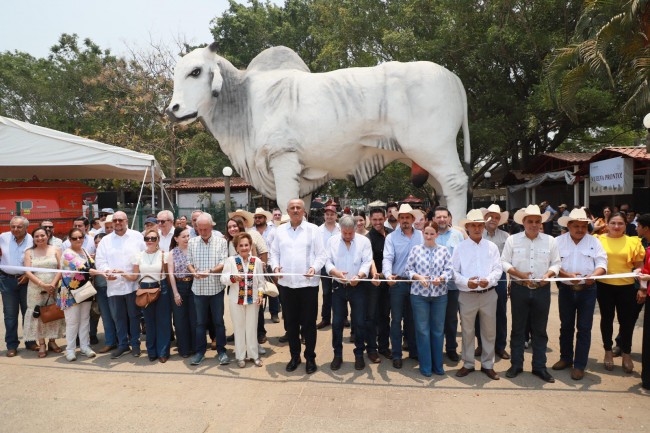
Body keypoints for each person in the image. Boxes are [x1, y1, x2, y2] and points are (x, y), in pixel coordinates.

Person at [501, 204, 561, 383]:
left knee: (540, 331)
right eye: (530, 221)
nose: (534, 225)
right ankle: (516, 364)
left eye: (537, 221)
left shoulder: (551, 241)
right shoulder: (513, 240)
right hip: (520, 288)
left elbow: (556, 263)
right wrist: (519, 274)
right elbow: (504, 262)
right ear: (523, 222)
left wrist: (548, 275)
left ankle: (539, 367)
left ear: (541, 222)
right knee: (518, 329)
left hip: (542, 290)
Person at [270, 198, 326, 375]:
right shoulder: (280, 231)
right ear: (287, 211)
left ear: (304, 211)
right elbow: (274, 253)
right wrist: (275, 267)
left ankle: (310, 357)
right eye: (292, 208)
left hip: (308, 285)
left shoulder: (314, 230)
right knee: (291, 324)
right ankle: (295, 356)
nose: (295, 210)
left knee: (309, 324)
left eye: (298, 208)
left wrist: (314, 268)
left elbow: (322, 255)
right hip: (286, 285)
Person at [553, 208, 607, 380]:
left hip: (588, 291)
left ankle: (579, 365)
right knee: (566, 325)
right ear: (568, 225)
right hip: (566, 290)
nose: (580, 229)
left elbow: (602, 263)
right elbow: (552, 265)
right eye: (576, 226)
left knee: (584, 328)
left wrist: (594, 275)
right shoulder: (558, 242)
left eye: (583, 226)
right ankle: (565, 358)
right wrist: (566, 275)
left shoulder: (595, 242)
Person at [452, 210, 503, 381]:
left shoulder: (492, 247)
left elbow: (498, 269)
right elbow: (453, 271)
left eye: (479, 225)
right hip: (467, 295)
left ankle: (488, 364)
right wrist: (467, 282)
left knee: (489, 330)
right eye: (473, 225)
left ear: (483, 226)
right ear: (467, 227)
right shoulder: (460, 248)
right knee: (467, 330)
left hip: (488, 293)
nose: (476, 228)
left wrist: (487, 281)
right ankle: (468, 363)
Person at [596, 212, 645, 373]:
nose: (616, 227)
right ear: (607, 224)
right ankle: (608, 352)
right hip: (604, 286)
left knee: (627, 322)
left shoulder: (633, 241)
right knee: (607, 319)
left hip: (627, 287)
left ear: (626, 225)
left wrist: (642, 285)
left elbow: (640, 266)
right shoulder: (598, 240)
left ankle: (626, 353)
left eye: (620, 224)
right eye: (613, 223)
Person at [95, 211, 146, 359]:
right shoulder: (106, 241)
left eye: (120, 220)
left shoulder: (137, 236)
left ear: (126, 221)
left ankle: (135, 344)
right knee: (118, 317)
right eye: (115, 220)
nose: (117, 223)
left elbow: (143, 256)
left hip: (133, 285)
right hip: (114, 286)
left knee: (134, 316)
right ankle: (123, 345)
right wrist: (107, 272)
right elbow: (100, 261)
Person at [405, 220, 453, 377]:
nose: (429, 236)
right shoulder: (416, 250)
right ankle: (425, 366)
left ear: (437, 234)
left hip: (440, 295)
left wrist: (441, 278)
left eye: (432, 233)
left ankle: (438, 365)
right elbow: (408, 269)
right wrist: (418, 277)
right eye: (426, 233)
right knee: (422, 331)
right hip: (419, 295)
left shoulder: (444, 250)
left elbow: (449, 269)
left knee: (438, 331)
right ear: (423, 234)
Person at [325, 215, 373, 371]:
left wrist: (359, 276)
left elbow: (367, 262)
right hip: (338, 286)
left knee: (359, 322)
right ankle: (337, 355)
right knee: (337, 322)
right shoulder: (332, 241)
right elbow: (327, 261)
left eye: (350, 233)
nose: (347, 236)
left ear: (355, 229)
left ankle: (359, 354)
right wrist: (335, 272)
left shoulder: (364, 241)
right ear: (340, 230)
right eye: (344, 233)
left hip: (357, 287)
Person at [383, 203, 423, 369]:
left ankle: (414, 350)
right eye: (402, 217)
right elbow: (387, 258)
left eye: (408, 217)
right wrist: (387, 275)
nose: (405, 220)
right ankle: (397, 354)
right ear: (398, 219)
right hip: (398, 282)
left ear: (413, 219)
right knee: (396, 320)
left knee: (413, 319)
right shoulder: (391, 237)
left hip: (416, 283)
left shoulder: (421, 235)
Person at [187, 213, 229, 366]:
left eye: (206, 229)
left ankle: (222, 351)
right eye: (200, 229)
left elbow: (223, 262)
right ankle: (200, 352)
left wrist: (210, 272)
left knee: (218, 322)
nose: (203, 232)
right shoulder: (192, 242)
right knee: (200, 323)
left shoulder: (221, 242)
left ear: (212, 226)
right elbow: (189, 262)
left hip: (216, 288)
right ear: (196, 227)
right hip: (198, 289)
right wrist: (193, 272)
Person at [221, 232, 265, 368]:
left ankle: (254, 355)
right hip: (236, 300)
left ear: (250, 246)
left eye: (247, 245)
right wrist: (233, 278)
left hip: (253, 300)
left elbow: (261, 281)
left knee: (252, 327)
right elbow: (223, 279)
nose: (244, 248)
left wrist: (261, 295)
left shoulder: (256, 261)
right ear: (236, 247)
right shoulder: (230, 261)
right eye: (241, 245)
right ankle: (240, 356)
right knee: (239, 328)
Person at [127, 229, 171, 363]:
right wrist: (121, 273)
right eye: (147, 239)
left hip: (161, 288)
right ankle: (151, 352)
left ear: (158, 240)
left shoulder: (165, 255)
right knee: (149, 322)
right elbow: (134, 276)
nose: (150, 241)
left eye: (153, 238)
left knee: (163, 321)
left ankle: (163, 352)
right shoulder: (138, 256)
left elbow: (169, 276)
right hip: (145, 289)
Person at [59, 227, 102, 361]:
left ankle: (84, 346)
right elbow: (82, 267)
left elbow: (93, 265)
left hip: (85, 291)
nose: (78, 240)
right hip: (71, 292)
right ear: (69, 239)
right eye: (74, 238)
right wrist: (100, 272)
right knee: (72, 322)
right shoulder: (67, 253)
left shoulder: (85, 251)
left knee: (85, 320)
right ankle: (70, 349)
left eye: (81, 237)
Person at [23, 227, 64, 358]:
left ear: (48, 236)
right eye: (36, 236)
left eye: (42, 235)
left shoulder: (56, 250)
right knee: (38, 315)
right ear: (33, 238)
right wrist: (42, 285)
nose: (40, 238)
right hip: (35, 288)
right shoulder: (29, 252)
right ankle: (41, 343)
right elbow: (28, 271)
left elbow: (61, 269)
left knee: (53, 312)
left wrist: (52, 284)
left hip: (53, 287)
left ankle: (52, 341)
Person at [477, 204, 510, 360]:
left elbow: (510, 260)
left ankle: (500, 346)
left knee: (500, 312)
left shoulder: (506, 237)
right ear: (485, 217)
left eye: (497, 217)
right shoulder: (477, 234)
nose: (493, 219)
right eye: (491, 216)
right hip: (479, 277)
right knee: (479, 312)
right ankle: (481, 345)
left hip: (500, 278)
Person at [433, 206, 465, 363]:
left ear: (450, 218)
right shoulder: (430, 235)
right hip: (434, 286)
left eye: (444, 216)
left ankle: (451, 348)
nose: (442, 219)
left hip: (453, 286)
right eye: (438, 217)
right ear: (433, 219)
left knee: (451, 319)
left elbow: (462, 259)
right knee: (436, 320)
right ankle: (436, 349)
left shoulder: (458, 236)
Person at [0, 216, 35, 356]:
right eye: (13, 226)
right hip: (7, 280)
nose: (15, 229)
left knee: (29, 313)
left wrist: (28, 275)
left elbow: (37, 258)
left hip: (27, 280)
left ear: (26, 227)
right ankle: (12, 345)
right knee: (10, 314)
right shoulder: (3, 237)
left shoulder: (33, 240)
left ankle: (30, 342)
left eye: (19, 227)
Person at [366, 207, 393, 362]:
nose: (377, 222)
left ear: (384, 218)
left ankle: (384, 347)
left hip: (389, 281)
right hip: (374, 282)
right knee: (372, 317)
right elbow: (369, 259)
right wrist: (374, 273)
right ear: (370, 219)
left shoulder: (391, 234)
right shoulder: (368, 238)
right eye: (374, 220)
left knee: (385, 315)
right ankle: (372, 349)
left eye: (380, 219)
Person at [168, 226, 196, 358]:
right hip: (179, 285)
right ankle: (184, 349)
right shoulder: (172, 253)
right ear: (176, 239)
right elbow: (171, 274)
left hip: (194, 285)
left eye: (188, 236)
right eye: (183, 236)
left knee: (193, 317)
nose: (186, 239)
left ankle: (194, 346)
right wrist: (175, 293)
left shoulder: (194, 250)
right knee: (180, 319)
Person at [253, 207, 280, 324]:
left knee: (272, 288)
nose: (258, 219)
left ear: (265, 218)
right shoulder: (251, 231)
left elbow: (276, 248)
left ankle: (274, 314)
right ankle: (260, 315)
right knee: (259, 289)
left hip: (270, 263)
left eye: (260, 217)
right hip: (255, 264)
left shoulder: (274, 230)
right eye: (256, 217)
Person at [92, 233, 117, 353]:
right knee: (106, 317)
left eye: (100, 242)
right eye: (96, 242)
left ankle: (122, 340)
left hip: (115, 288)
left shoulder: (112, 255)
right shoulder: (91, 258)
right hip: (101, 290)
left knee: (118, 316)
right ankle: (110, 342)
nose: (98, 244)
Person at [317, 205, 340, 330]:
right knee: (326, 292)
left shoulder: (341, 229)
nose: (329, 216)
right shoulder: (318, 230)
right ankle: (325, 318)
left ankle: (342, 317)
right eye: (327, 214)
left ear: (336, 216)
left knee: (341, 291)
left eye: (332, 214)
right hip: (324, 265)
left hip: (339, 264)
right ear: (324, 216)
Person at [635, 213, 650, 389]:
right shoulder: (647, 249)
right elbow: (645, 270)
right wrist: (643, 287)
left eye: (638, 225)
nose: (636, 228)